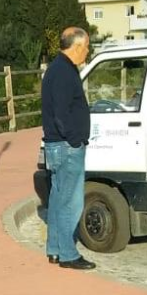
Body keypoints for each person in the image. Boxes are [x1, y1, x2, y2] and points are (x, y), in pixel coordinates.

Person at [41, 27, 96, 270]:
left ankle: (54, 249)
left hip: (58, 144)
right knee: (70, 203)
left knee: (57, 199)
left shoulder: (58, 68)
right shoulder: (63, 72)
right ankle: (67, 254)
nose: (88, 51)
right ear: (76, 46)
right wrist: (74, 139)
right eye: (86, 46)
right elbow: (61, 113)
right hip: (66, 146)